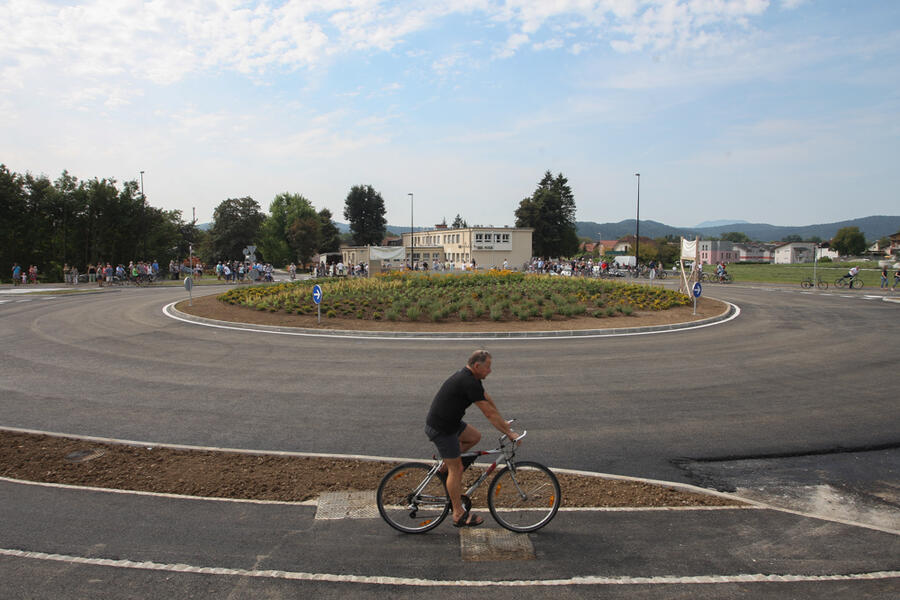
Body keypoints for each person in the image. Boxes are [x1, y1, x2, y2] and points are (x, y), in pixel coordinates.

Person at [424, 350, 519, 528]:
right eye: (488, 367)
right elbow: (488, 413)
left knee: (474, 437)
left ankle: (445, 467)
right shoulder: (468, 382)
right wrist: (509, 433)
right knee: (457, 468)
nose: (490, 371)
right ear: (477, 366)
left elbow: (487, 400)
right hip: (442, 428)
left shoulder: (472, 378)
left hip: (449, 423)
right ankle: (458, 513)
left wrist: (503, 423)